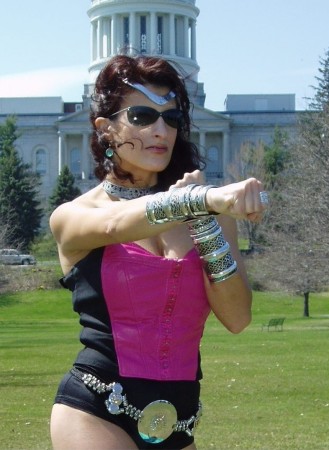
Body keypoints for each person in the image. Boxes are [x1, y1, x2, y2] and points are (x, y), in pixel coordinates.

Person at [49, 54, 267, 450]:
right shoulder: (74, 215)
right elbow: (118, 225)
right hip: (95, 409)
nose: (160, 130)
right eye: (142, 116)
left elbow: (237, 317)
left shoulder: (209, 212)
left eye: (172, 118)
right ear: (106, 129)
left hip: (176, 422)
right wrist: (202, 201)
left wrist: (203, 220)